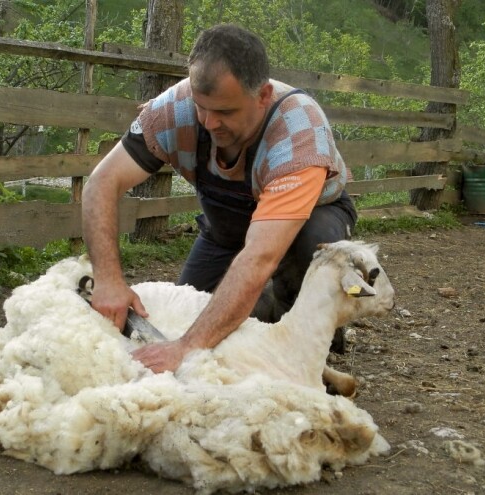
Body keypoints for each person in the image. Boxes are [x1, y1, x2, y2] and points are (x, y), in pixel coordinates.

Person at [81, 24, 357, 374]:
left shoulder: (298, 133)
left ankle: (307, 328)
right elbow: (102, 182)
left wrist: (187, 347)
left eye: (225, 112)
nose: (210, 123)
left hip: (306, 221)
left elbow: (259, 256)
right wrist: (107, 279)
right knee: (183, 317)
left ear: (262, 95)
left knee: (312, 250)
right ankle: (259, 307)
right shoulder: (175, 110)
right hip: (226, 227)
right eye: (202, 107)